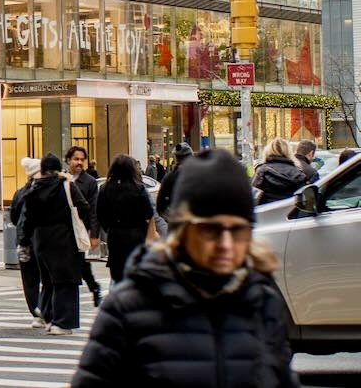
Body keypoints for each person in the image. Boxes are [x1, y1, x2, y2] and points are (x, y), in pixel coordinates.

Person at [70, 149, 296, 387]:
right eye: (211, 230)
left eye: (238, 231)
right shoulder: (128, 309)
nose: (225, 244)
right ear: (184, 230)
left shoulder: (261, 302)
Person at [18, 153, 91, 335]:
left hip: (40, 240)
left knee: (48, 280)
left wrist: (25, 241)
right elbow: (84, 207)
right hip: (64, 238)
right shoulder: (66, 185)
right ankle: (62, 323)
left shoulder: (35, 188)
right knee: (66, 281)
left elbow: (27, 218)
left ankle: (47, 316)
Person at [96, 155, 155, 284]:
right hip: (136, 233)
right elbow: (148, 213)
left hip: (115, 234)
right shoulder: (138, 188)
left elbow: (100, 214)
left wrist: (109, 228)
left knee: (117, 272)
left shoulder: (105, 189)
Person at [66, 146, 103, 307]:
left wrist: (94, 234)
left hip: (80, 228)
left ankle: (93, 287)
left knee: (79, 261)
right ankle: (92, 287)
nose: (79, 162)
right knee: (72, 262)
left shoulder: (89, 182)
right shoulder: (62, 178)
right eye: (76, 159)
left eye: (82, 159)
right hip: (63, 229)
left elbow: (95, 209)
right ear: (68, 160)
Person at [10, 158, 43, 326]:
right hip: (40, 240)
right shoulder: (43, 192)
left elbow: (14, 217)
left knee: (30, 279)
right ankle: (42, 309)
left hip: (24, 242)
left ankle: (36, 310)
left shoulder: (19, 193)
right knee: (47, 277)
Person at [252, 137, 309, 205]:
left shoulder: (262, 171)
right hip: (290, 210)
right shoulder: (298, 173)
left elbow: (252, 197)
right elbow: (304, 200)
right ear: (289, 152)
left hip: (267, 210)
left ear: (267, 151)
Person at [155, 142, 193, 221]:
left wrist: (172, 219)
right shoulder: (201, 175)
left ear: (175, 158)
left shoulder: (169, 177)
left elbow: (160, 206)